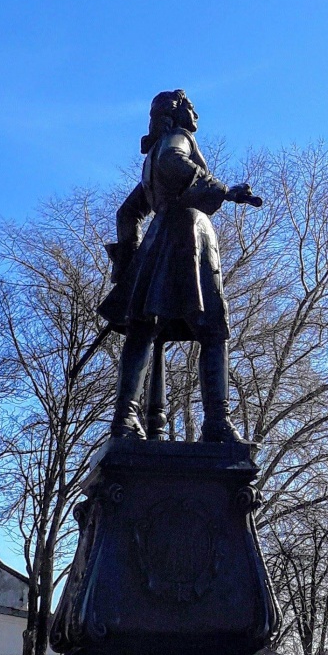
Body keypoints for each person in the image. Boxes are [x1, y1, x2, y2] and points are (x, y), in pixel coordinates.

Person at [98, 89, 263, 441]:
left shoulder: (150, 159)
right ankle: (217, 420)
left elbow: (127, 214)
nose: (196, 116)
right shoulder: (177, 139)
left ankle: (124, 418)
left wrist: (130, 259)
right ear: (175, 116)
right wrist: (223, 189)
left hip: (159, 237)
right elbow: (175, 161)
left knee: (145, 329)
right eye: (191, 108)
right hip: (190, 232)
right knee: (213, 329)